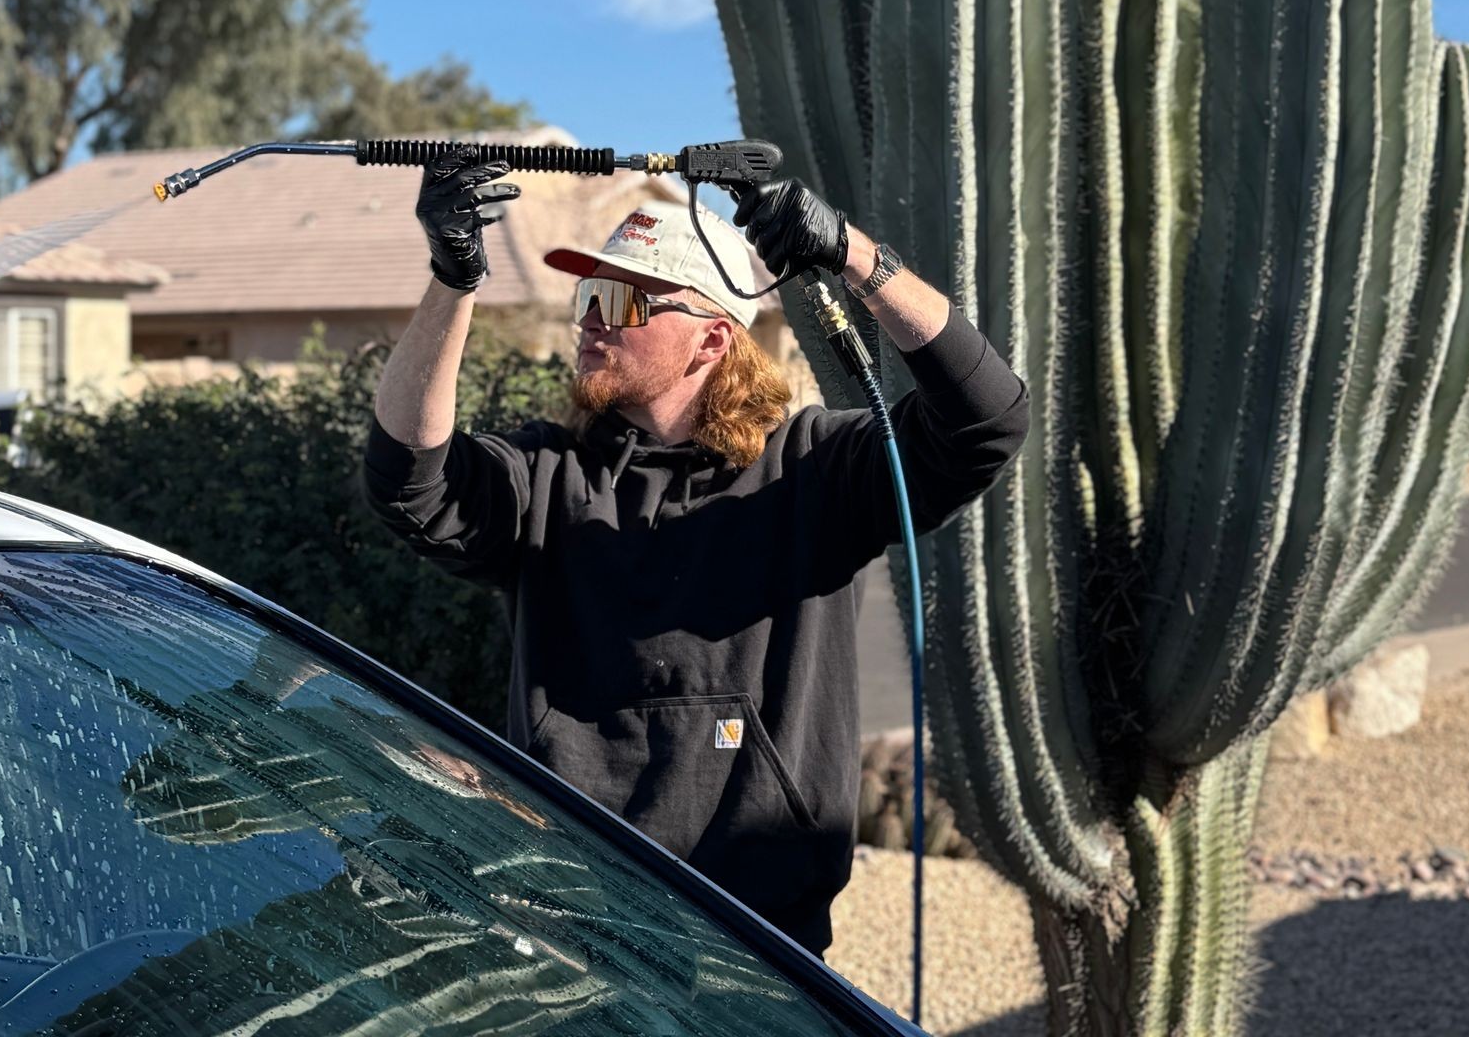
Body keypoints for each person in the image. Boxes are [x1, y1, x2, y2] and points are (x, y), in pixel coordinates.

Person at [362, 146, 1029, 958]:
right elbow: (406, 478)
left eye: (623, 300)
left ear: (713, 340)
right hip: (569, 928)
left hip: (760, 947)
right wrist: (453, 278)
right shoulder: (546, 475)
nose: (592, 319)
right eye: (587, 294)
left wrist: (853, 254)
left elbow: (987, 419)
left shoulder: (816, 472)